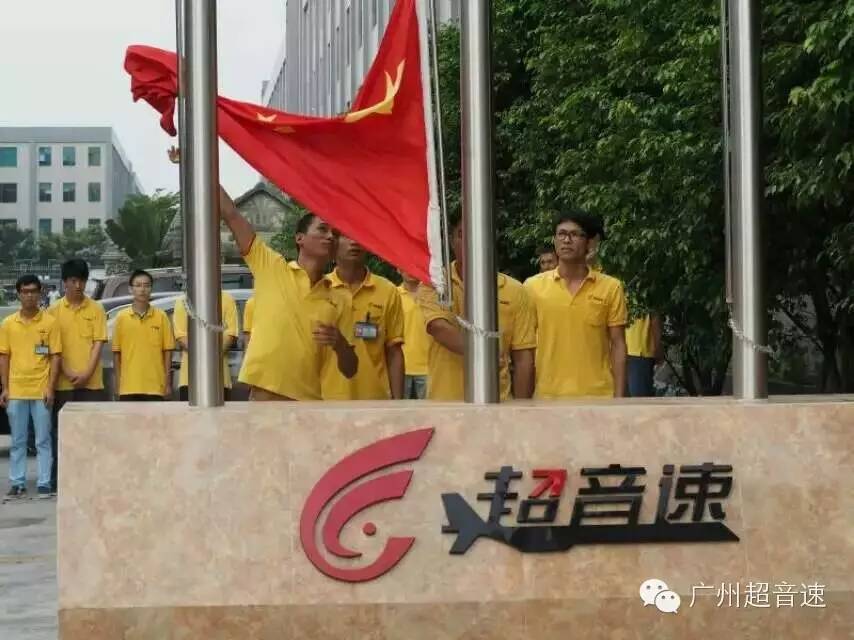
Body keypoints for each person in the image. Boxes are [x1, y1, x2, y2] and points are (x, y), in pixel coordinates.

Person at [169, 145, 357, 401]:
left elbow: (350, 369)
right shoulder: (271, 267)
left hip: (309, 403)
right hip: (263, 397)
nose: (330, 237)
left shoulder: (340, 297)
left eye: (334, 234)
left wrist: (340, 344)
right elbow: (231, 214)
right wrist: (192, 164)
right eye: (322, 230)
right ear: (299, 239)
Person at [417, 215, 536, 401]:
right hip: (445, 403)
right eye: (462, 234)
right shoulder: (435, 282)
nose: (470, 241)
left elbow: (523, 357)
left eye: (478, 234)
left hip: (496, 401)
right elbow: (438, 327)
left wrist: (522, 409)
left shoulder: (516, 291)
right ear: (451, 240)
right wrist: (484, 353)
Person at [524, 211, 628, 398]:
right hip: (548, 397)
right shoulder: (533, 287)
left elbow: (618, 344)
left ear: (589, 243)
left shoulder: (611, 287)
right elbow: (525, 349)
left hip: (599, 396)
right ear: (554, 240)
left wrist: (619, 398)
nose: (567, 240)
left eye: (574, 234)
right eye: (561, 234)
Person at [47, 259, 107, 494]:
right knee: (61, 434)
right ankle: (60, 479)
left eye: (82, 280)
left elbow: (98, 344)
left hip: (92, 384)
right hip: (63, 384)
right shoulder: (53, 311)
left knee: (92, 433)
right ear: (65, 282)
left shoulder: (96, 309)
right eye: (73, 280)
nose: (78, 285)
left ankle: (92, 479)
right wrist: (69, 372)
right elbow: (53, 349)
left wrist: (87, 373)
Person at [0, 275, 62, 500]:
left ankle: (44, 483)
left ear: (40, 293)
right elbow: (4, 357)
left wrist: (51, 388)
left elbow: (55, 357)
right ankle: (17, 483)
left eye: (33, 291)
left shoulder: (50, 323)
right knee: (18, 441)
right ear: (18, 294)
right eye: (25, 291)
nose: (29, 295)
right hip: (16, 391)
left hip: (41, 391)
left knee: (43, 440)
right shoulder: (8, 324)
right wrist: (5, 388)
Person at [322, 236, 404, 400]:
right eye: (346, 236)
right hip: (326, 399)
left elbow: (394, 352)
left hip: (374, 400)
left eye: (358, 235)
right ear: (334, 243)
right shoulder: (321, 288)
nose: (354, 241)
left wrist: (398, 403)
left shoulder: (387, 291)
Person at [111, 270, 175, 401]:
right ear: (130, 289)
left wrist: (167, 383)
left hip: (155, 387)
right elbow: (117, 353)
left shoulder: (161, 316)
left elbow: (167, 352)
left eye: (146, 285)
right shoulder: (122, 317)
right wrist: (118, 384)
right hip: (128, 387)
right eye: (138, 285)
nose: (142, 289)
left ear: (151, 289)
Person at [172, 291, 239, 401]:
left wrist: (210, 356)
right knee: (190, 412)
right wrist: (207, 357)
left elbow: (230, 335)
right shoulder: (182, 301)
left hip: (219, 378)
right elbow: (181, 337)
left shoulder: (227, 299)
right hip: (190, 379)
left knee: (220, 412)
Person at [398, 270, 429, 399]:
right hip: (400, 367)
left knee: (432, 410)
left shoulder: (431, 295)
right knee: (399, 410)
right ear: (398, 269)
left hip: (429, 367)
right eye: (406, 266)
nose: (410, 270)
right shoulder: (393, 295)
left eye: (414, 266)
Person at [626, 314, 664, 397]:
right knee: (640, 399)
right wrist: (658, 348)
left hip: (626, 349)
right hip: (639, 350)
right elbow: (655, 320)